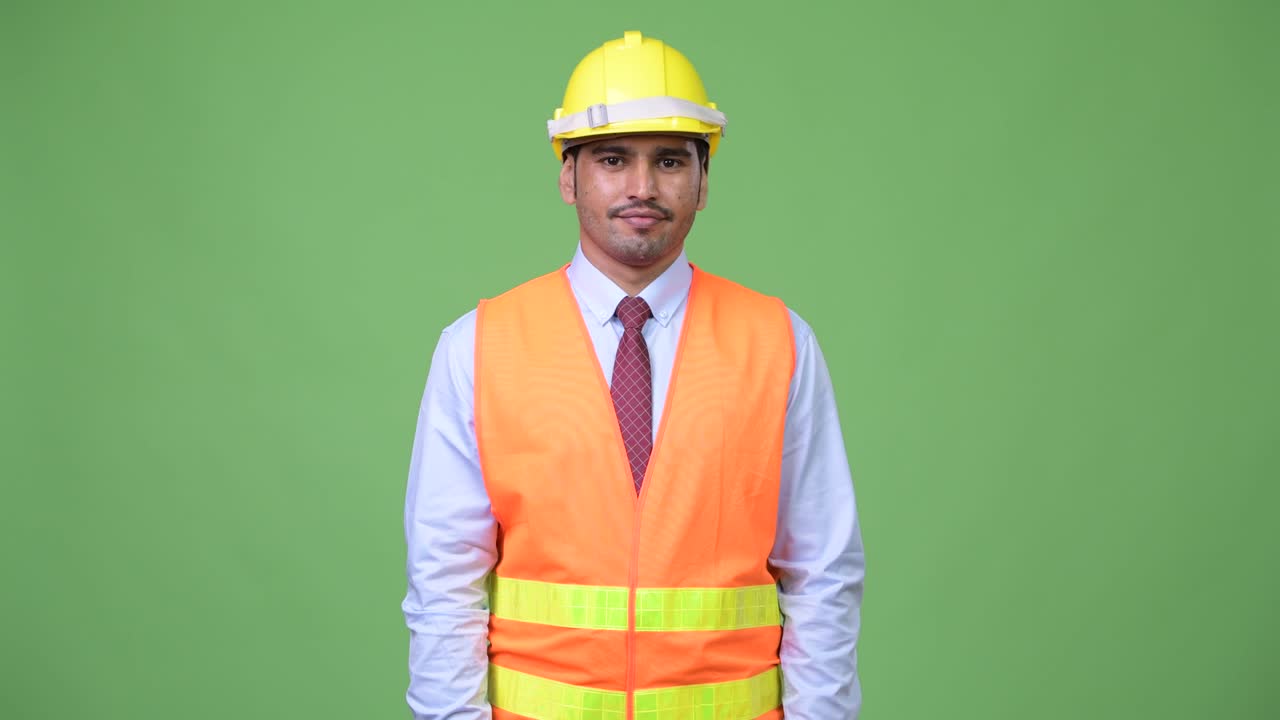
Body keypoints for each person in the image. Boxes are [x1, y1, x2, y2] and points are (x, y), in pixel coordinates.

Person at [402, 31, 865, 720]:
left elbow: (824, 573)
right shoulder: (477, 346)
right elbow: (442, 582)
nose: (642, 187)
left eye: (671, 161)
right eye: (613, 159)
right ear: (568, 176)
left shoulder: (779, 342)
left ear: (704, 181)